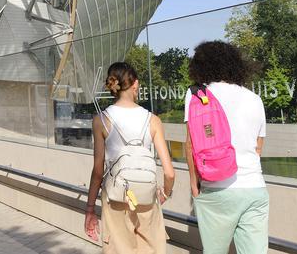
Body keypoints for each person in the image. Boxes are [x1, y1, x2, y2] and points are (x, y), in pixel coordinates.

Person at [184, 41, 268, 254]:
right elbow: (259, 147)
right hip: (255, 188)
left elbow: (191, 144)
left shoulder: (198, 96)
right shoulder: (254, 98)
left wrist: (194, 183)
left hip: (217, 188)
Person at [85, 62, 176, 253]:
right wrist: (164, 194)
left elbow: (98, 171)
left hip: (115, 198)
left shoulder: (101, 120)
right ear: (135, 84)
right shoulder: (153, 120)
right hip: (147, 197)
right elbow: (169, 173)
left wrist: (90, 209)